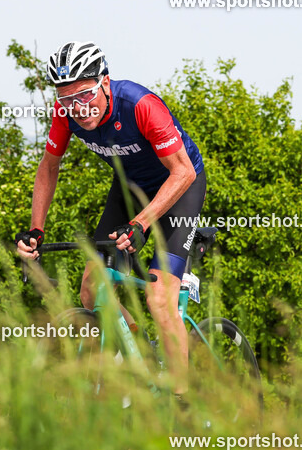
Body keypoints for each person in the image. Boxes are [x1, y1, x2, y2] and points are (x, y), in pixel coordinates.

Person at [16, 41, 206, 399]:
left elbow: (182, 173)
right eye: (68, 100)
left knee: (159, 300)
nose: (78, 108)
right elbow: (49, 166)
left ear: (105, 82)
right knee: (91, 289)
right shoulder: (67, 112)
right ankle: (142, 352)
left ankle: (183, 404)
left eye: (84, 95)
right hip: (129, 187)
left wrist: (141, 223)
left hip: (180, 186)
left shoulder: (139, 105)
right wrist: (36, 229)